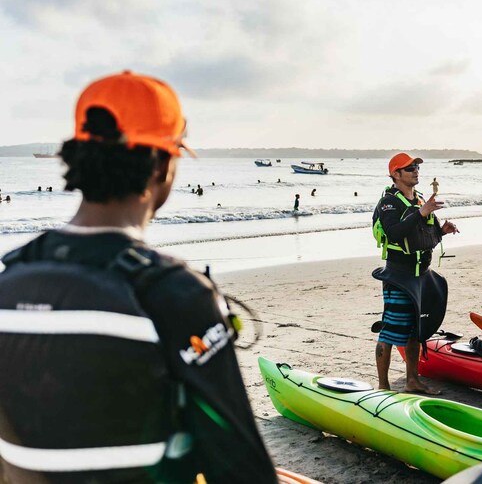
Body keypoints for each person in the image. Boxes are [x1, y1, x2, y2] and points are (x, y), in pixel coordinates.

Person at [0, 71, 276, 483]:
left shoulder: (10, 281)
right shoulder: (174, 294)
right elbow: (241, 467)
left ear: (80, 159)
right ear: (163, 164)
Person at [372, 153, 458, 394]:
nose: (415, 171)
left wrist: (442, 231)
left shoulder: (420, 200)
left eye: (417, 167)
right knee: (389, 330)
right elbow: (394, 233)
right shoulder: (389, 203)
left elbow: (424, 236)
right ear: (396, 175)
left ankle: (412, 380)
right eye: (409, 168)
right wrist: (421, 213)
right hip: (398, 275)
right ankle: (382, 386)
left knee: (415, 330)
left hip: (422, 274)